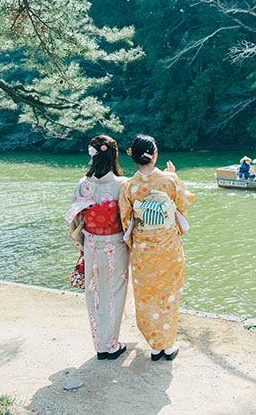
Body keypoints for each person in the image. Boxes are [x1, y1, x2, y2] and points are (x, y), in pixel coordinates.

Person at [119, 135, 194, 361]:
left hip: (143, 248)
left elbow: (125, 219)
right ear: (155, 154)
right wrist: (174, 175)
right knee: (169, 293)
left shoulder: (129, 186)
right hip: (168, 245)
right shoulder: (169, 181)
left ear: (134, 157)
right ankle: (168, 346)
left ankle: (154, 346)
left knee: (146, 295)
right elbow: (183, 203)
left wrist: (136, 240)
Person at [64, 135, 129, 360]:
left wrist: (83, 241)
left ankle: (100, 345)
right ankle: (112, 344)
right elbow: (130, 218)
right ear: (114, 156)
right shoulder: (122, 184)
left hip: (92, 243)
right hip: (116, 243)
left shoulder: (83, 184)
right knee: (115, 292)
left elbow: (75, 219)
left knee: (94, 292)